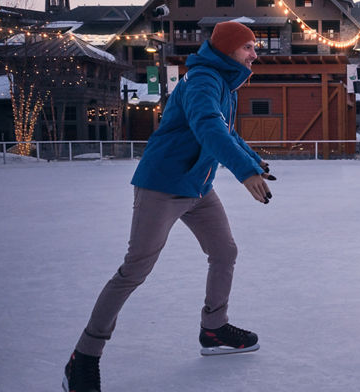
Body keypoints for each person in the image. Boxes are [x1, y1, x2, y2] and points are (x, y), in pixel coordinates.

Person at [63, 21, 275, 392]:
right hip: (162, 185)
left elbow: (228, 131)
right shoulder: (202, 82)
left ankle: (213, 328)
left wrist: (253, 160)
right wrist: (244, 172)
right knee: (134, 270)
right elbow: (209, 126)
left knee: (224, 252)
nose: (254, 54)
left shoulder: (225, 84)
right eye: (248, 47)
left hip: (197, 187)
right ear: (227, 51)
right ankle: (84, 356)